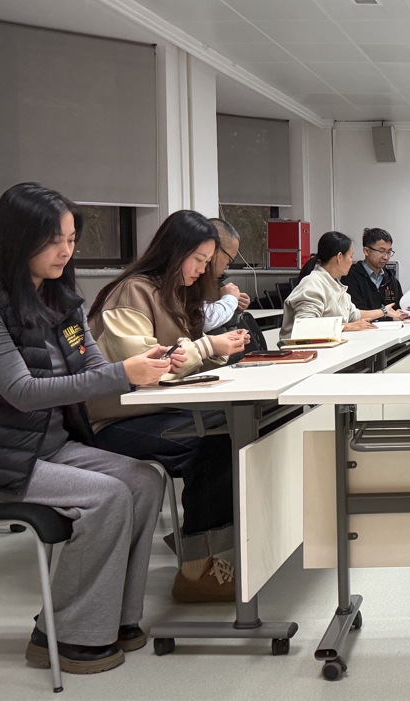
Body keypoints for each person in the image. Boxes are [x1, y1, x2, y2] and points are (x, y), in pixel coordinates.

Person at [0, 183, 169, 673]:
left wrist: (139, 367)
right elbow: (21, 391)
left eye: (71, 239)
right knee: (108, 496)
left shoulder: (61, 299)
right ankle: (63, 635)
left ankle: (113, 618)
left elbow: (92, 365)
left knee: (145, 481)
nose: (65, 251)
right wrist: (121, 375)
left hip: (45, 448)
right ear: (17, 239)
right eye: (52, 241)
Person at [88, 211, 249, 604]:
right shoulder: (132, 291)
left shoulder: (174, 293)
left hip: (156, 410)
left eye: (207, 261)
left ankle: (198, 539)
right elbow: (148, 367)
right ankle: (196, 569)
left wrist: (218, 351)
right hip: (113, 420)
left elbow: (183, 360)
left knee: (240, 425)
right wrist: (208, 347)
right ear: (174, 251)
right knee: (212, 439)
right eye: (198, 259)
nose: (202, 269)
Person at [280, 231, 400, 338]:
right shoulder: (312, 283)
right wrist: (347, 326)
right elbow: (305, 326)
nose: (351, 262)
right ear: (339, 257)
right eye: (350, 257)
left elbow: (353, 314)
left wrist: (384, 312)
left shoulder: (336, 284)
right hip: (305, 351)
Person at [341, 227, 408, 319]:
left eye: (389, 252)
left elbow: (398, 308)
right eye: (381, 251)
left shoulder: (391, 279)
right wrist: (389, 317)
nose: (386, 257)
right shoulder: (351, 277)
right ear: (366, 251)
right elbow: (355, 313)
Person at [202, 219, 251, 332]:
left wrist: (236, 308)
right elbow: (203, 321)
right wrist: (230, 300)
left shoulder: (216, 282)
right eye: (229, 260)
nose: (227, 267)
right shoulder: (188, 281)